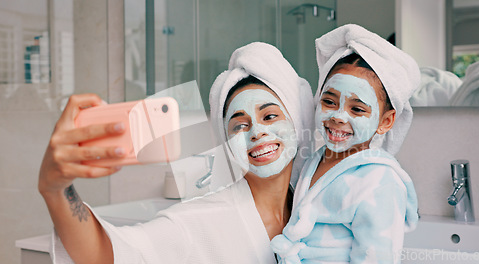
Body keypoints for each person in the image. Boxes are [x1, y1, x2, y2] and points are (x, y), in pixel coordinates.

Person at [39, 42, 315, 263]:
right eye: (239, 125)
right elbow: (105, 255)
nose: (256, 132)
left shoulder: (314, 209)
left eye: (269, 116)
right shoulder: (201, 221)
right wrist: (56, 190)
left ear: (296, 120)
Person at [271, 24, 420, 263]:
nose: (339, 116)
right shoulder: (314, 160)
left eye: (357, 109)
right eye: (329, 101)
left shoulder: (379, 181)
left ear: (385, 121)